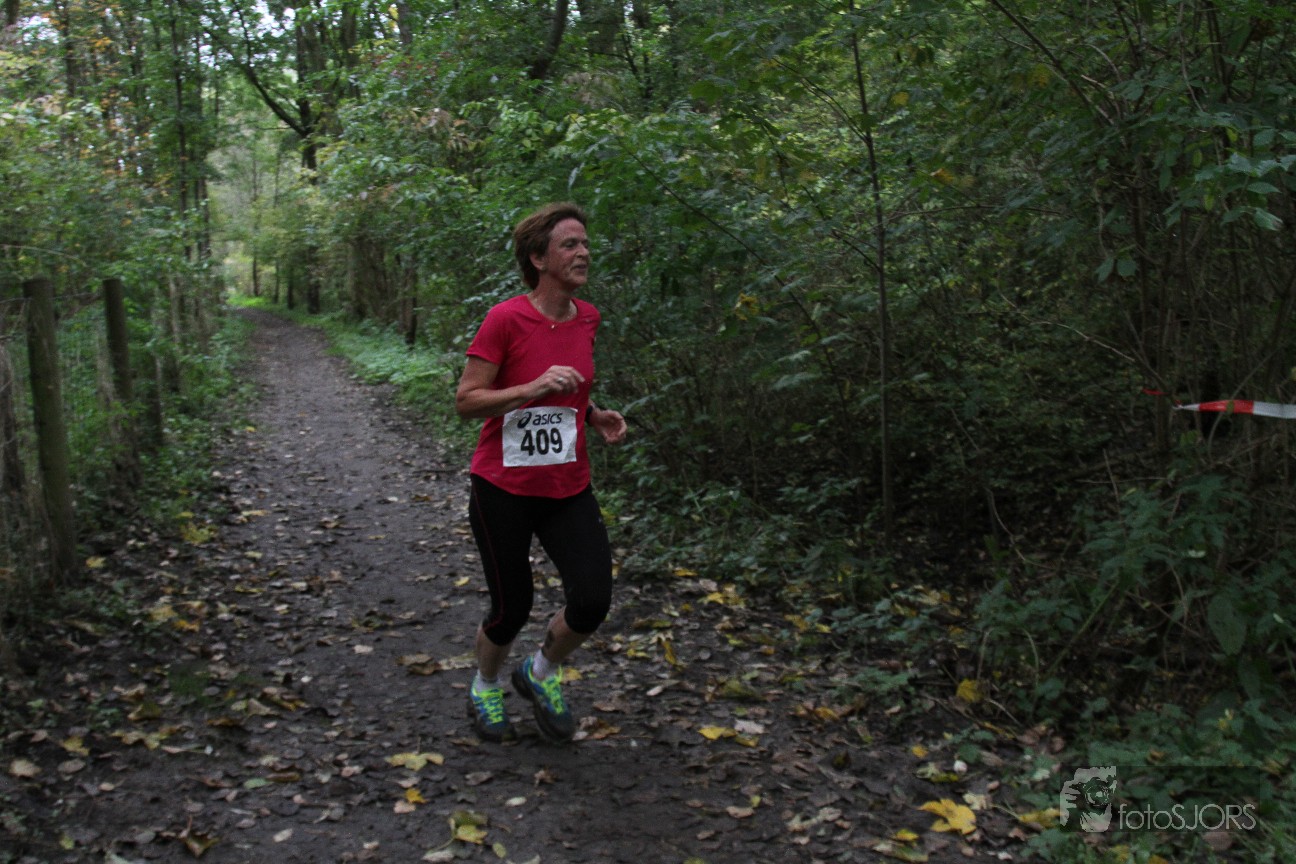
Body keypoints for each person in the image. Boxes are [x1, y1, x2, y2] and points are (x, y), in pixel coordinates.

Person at [455, 202, 627, 743]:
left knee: (592, 599)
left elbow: (570, 385)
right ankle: (485, 685)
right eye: (569, 244)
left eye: (585, 243)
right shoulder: (505, 319)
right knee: (512, 608)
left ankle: (540, 671)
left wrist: (592, 414)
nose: (584, 253)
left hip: (566, 485)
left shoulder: (588, 317)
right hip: (502, 487)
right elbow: (466, 401)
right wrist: (530, 389)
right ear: (538, 258)